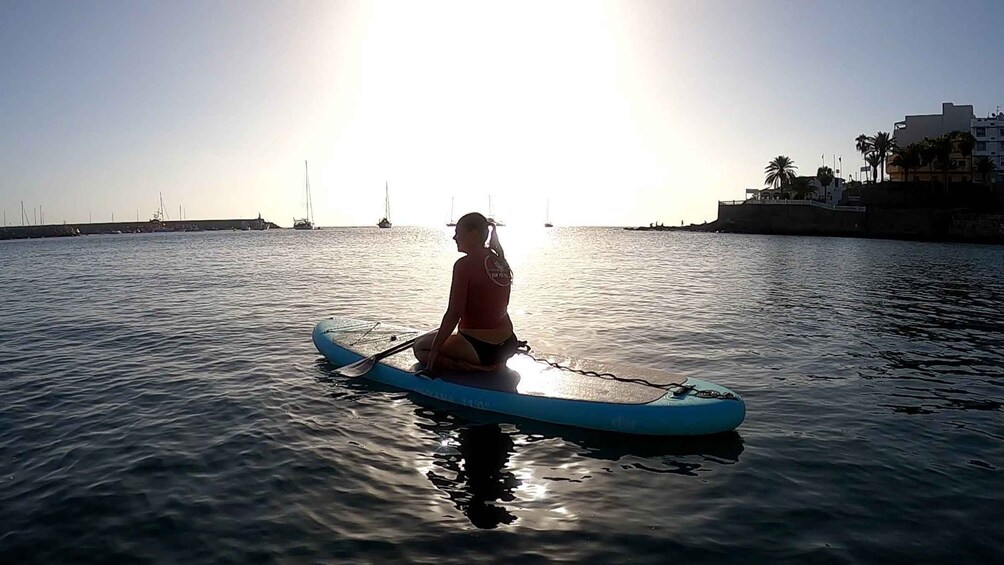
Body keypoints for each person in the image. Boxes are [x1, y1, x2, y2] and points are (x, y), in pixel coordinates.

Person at [413, 212, 518, 373]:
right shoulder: (500, 261)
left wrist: (434, 354)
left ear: (473, 234)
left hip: (480, 348)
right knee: (438, 335)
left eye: (458, 233)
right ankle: (494, 363)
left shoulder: (463, 265)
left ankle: (475, 368)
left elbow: (454, 314)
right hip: (508, 344)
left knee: (419, 347)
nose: (454, 238)